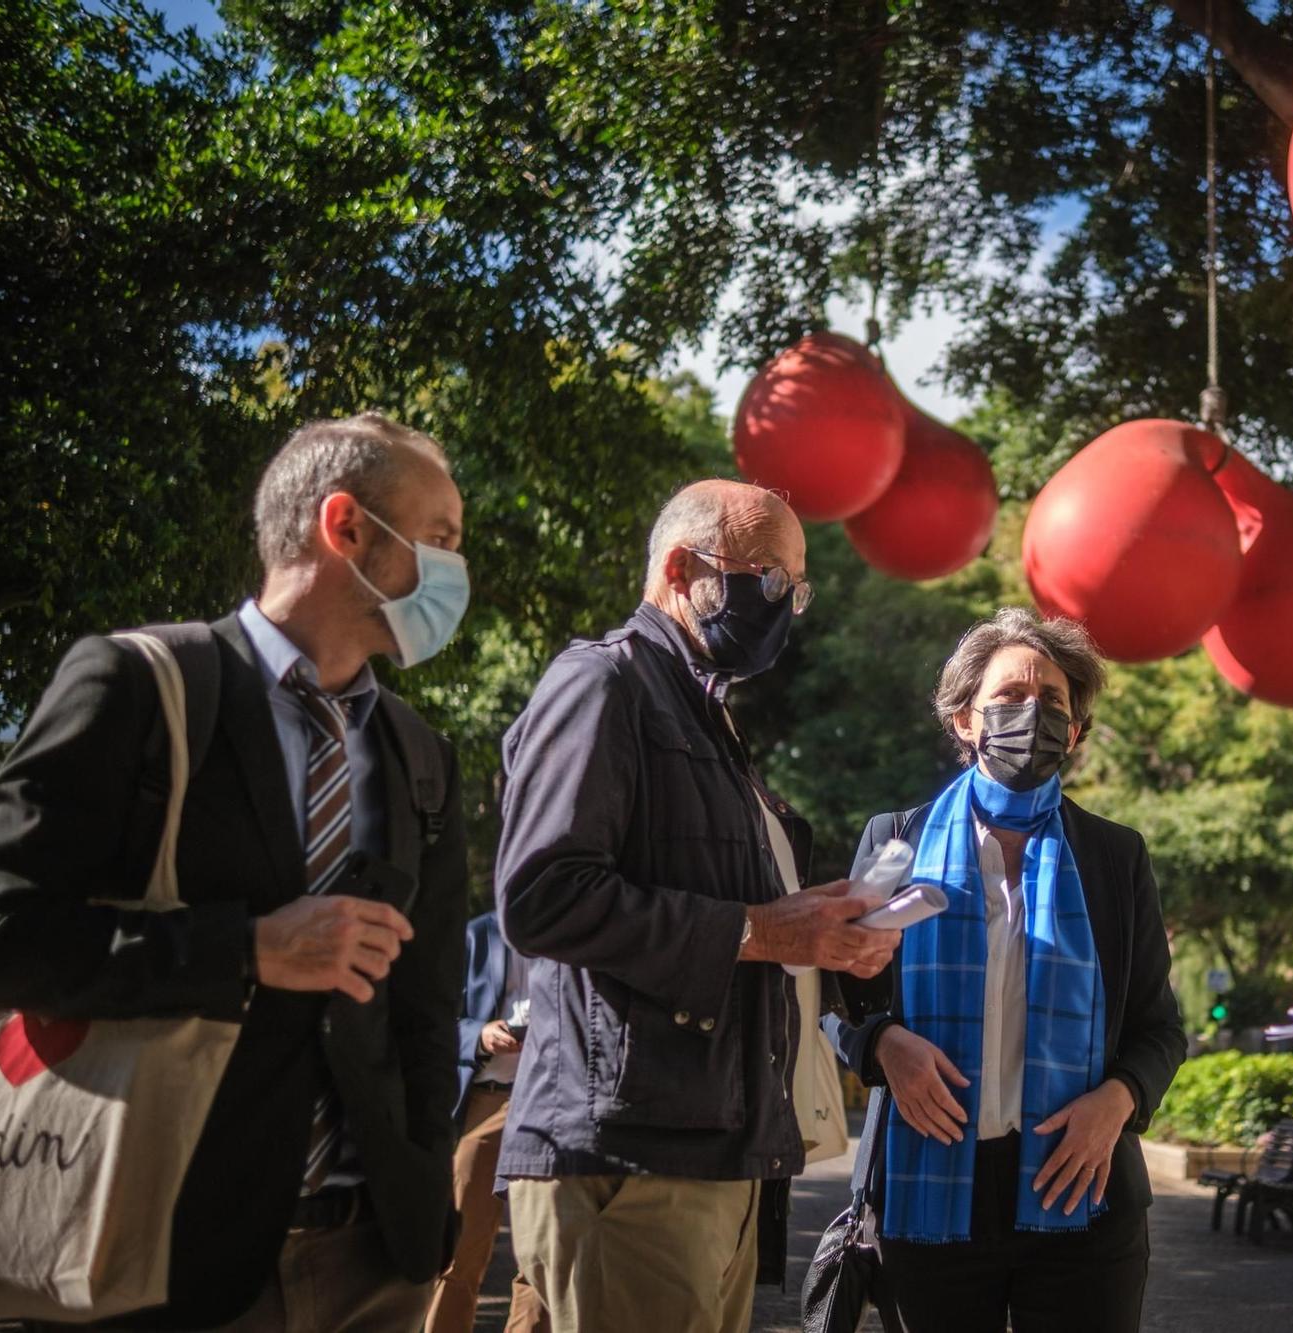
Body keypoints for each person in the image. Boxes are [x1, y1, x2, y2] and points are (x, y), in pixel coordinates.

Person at [0, 412, 472, 1330]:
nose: (456, 573)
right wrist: (245, 949)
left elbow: (427, 1000)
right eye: (441, 539)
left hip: (377, 1261)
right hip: (158, 1262)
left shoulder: (421, 756)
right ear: (347, 529)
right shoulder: (137, 688)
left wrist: (424, 1195)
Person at [494, 479, 901, 1333]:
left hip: (718, 1153)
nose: (787, 604)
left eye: (798, 584)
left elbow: (729, 917)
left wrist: (820, 928)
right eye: (768, 577)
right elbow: (542, 897)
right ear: (682, 569)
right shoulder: (600, 684)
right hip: (629, 1162)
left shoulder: (707, 716)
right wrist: (757, 930)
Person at [829, 607, 1187, 1333]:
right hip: (929, 1193)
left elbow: (1159, 1029)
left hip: (1081, 1187)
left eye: (1054, 702)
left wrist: (1116, 1101)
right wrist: (882, 1046)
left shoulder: (1114, 857)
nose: (1034, 714)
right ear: (965, 719)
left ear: (1076, 731)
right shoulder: (895, 841)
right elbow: (836, 1002)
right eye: (1012, 697)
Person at [426, 911, 546, 1333]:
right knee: (460, 1246)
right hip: (487, 1100)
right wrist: (480, 1034)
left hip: (550, 1101)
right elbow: (432, 1018)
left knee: (542, 1254)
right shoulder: (476, 935)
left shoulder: (576, 933)